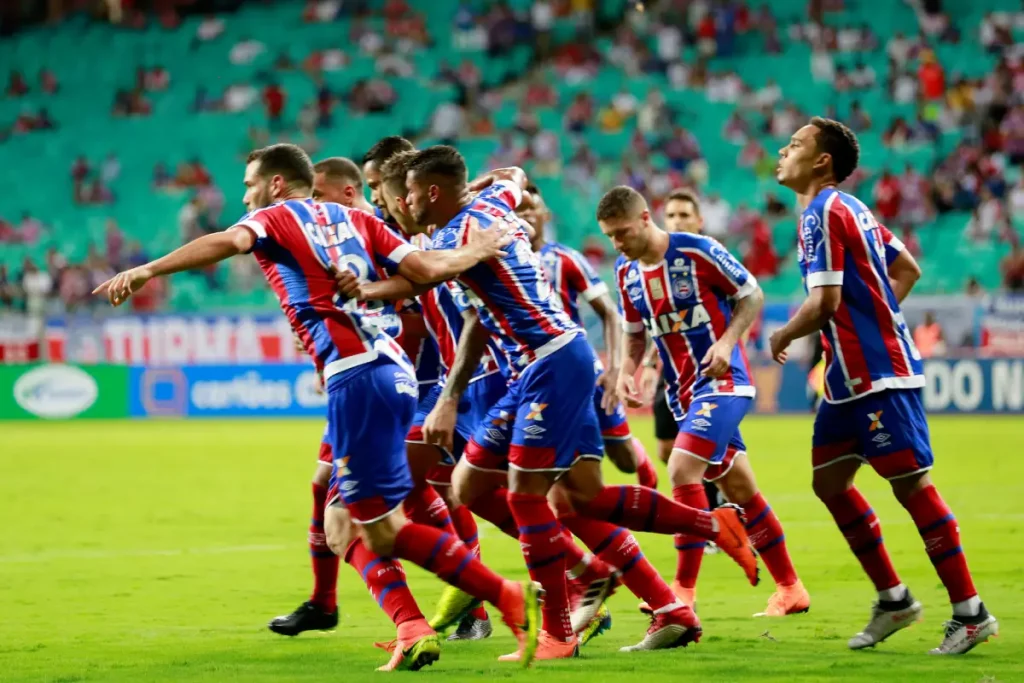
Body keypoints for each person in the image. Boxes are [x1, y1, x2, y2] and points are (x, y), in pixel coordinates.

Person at [94, 143, 541, 671]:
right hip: (396, 374)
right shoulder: (358, 220)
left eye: (248, 184)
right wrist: (477, 249)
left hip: (358, 378)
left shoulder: (273, 217)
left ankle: (503, 597)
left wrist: (148, 271)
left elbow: (227, 240)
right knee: (359, 518)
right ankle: (420, 623)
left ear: (277, 184)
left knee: (360, 525)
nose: (245, 196)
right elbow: (423, 268)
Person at [385, 146, 757, 659]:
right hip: (535, 366)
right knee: (549, 494)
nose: (400, 202)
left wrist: (370, 283)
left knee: (526, 496)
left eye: (403, 192)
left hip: (548, 361)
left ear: (429, 192)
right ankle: (708, 530)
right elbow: (515, 174)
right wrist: (490, 186)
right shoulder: (493, 204)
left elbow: (426, 270)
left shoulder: (456, 236)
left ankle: (558, 631)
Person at [770, 117, 997, 654]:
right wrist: (873, 313)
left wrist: (783, 332)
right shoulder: (853, 209)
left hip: (878, 376)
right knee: (829, 483)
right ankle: (894, 601)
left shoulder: (824, 210)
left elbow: (825, 302)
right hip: (845, 382)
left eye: (796, 144)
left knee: (910, 486)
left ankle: (971, 613)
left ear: (822, 161)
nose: (784, 150)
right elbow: (909, 268)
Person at [600, 186, 809, 618]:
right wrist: (627, 370)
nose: (618, 244)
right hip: (681, 395)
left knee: (680, 468)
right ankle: (791, 588)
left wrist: (728, 342)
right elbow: (636, 333)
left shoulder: (699, 251)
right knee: (740, 489)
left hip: (725, 381)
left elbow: (750, 295)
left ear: (644, 218)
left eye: (622, 233)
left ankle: (682, 591)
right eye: (610, 238)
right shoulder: (626, 273)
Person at [521, 183, 659, 490]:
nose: (526, 215)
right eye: (519, 210)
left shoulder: (565, 259)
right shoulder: (504, 263)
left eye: (532, 209)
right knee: (560, 469)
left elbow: (610, 313)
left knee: (622, 458)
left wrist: (613, 369)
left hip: (581, 368)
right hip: (535, 375)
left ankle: (642, 465)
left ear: (546, 215)